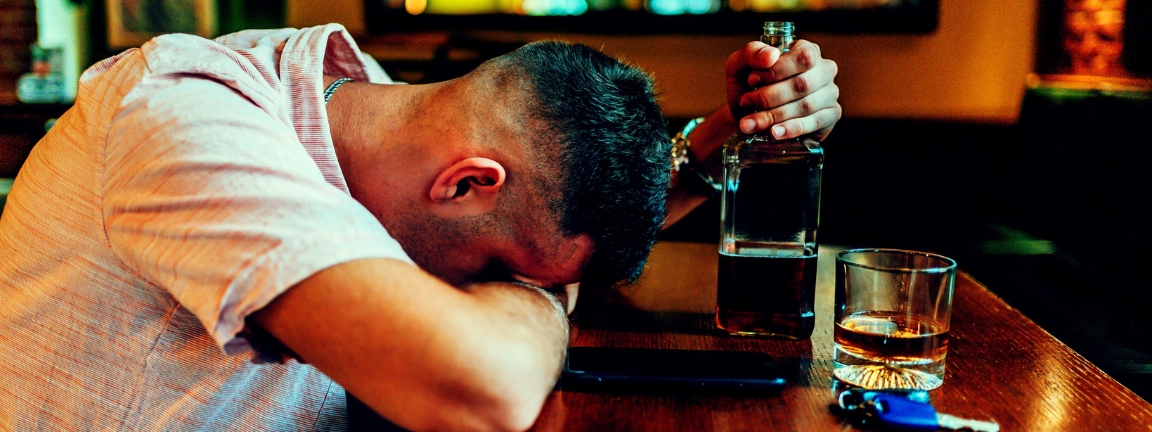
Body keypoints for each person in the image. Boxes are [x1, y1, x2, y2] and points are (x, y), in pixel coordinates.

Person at [0, 23, 839, 431]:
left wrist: (720, 138)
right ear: (467, 180)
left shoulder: (366, 99)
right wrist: (543, 294)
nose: (491, 287)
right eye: (498, 270)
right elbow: (485, 388)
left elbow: (535, 213)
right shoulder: (183, 122)